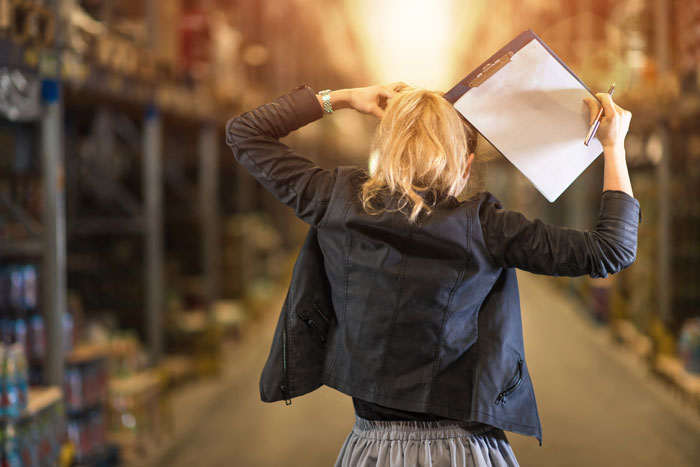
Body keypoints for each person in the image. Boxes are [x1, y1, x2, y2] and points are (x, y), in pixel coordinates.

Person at [226, 83, 639, 467]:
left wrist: (347, 97)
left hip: (372, 450)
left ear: (384, 153)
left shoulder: (334, 200)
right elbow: (612, 249)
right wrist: (613, 146)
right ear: (465, 164)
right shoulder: (487, 227)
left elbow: (244, 133)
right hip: (465, 451)